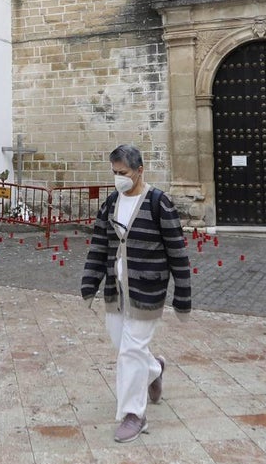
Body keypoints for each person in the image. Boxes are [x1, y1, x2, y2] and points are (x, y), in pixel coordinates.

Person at [81, 144, 192, 443]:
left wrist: (183, 295)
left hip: (147, 291)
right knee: (124, 345)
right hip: (116, 292)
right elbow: (99, 246)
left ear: (140, 170)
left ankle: (134, 415)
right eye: (115, 173)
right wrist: (90, 282)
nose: (119, 178)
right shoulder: (110, 204)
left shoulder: (159, 203)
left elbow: (177, 253)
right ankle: (155, 370)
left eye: (124, 173)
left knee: (130, 351)